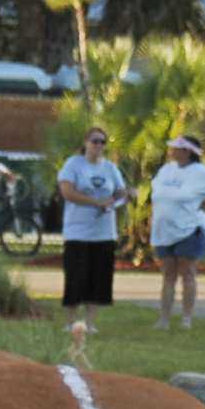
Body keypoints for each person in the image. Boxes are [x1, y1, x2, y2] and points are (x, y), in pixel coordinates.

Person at [148, 135, 205, 330]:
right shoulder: (166, 169)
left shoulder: (201, 172)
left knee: (187, 273)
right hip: (164, 230)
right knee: (168, 274)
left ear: (187, 152)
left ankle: (186, 319)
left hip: (189, 228)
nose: (172, 151)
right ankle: (164, 319)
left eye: (176, 148)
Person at [58, 126, 127, 321]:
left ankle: (90, 322)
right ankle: (70, 320)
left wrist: (122, 197)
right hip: (77, 232)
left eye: (102, 142)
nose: (98, 145)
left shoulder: (110, 168)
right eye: (95, 141)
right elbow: (67, 192)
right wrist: (96, 202)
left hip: (104, 233)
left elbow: (120, 192)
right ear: (86, 142)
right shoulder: (74, 164)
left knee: (98, 279)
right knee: (75, 277)